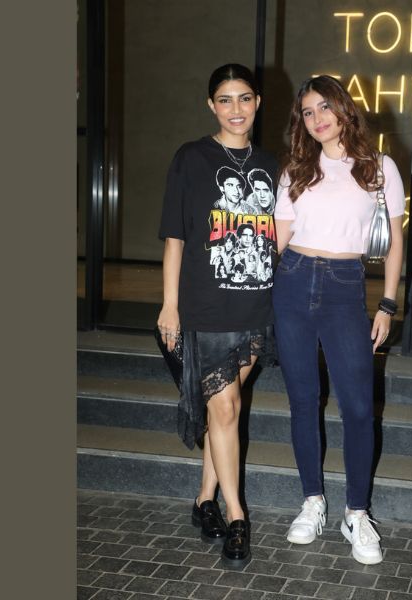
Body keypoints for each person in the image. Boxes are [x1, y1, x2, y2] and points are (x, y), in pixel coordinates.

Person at [272, 75, 405, 565]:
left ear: (344, 108)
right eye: (307, 112)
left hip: (346, 286)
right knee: (303, 401)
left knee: (358, 407)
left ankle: (356, 512)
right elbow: (278, 241)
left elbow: (395, 241)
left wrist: (387, 304)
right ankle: (312, 501)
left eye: (324, 106)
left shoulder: (379, 167)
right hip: (292, 281)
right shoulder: (295, 169)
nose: (317, 118)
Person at [157, 63, 278, 568]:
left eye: (244, 98)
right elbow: (175, 236)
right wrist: (170, 304)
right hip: (205, 309)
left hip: (257, 308)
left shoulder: (273, 163)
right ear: (211, 105)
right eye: (224, 100)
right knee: (226, 410)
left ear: (257, 102)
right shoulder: (192, 157)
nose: (236, 109)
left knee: (220, 411)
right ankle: (237, 515)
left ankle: (203, 499)